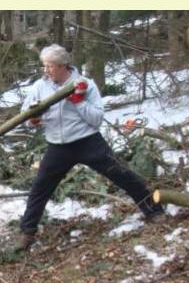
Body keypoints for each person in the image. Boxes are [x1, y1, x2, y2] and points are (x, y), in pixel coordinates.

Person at [15, 44, 164, 251]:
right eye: (44, 66)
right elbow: (26, 114)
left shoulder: (85, 84)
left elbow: (96, 119)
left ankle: (154, 210)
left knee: (121, 174)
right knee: (39, 189)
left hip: (87, 142)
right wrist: (32, 120)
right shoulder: (40, 86)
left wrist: (78, 101)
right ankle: (27, 232)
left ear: (63, 66)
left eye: (50, 66)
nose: (46, 71)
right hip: (57, 147)